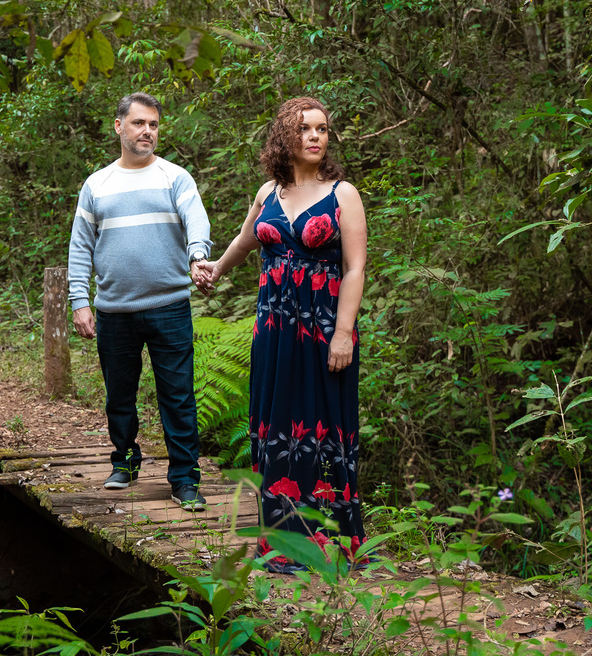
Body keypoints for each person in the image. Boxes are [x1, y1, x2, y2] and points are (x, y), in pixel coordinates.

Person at [200, 96, 367, 570]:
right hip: (274, 329)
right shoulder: (268, 193)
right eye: (305, 129)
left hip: (322, 328)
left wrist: (343, 333)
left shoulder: (343, 194)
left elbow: (354, 269)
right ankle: (279, 541)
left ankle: (331, 543)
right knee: (275, 426)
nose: (316, 136)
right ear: (285, 137)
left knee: (323, 426)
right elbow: (246, 238)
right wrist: (217, 267)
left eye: (323, 129)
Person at [67, 92, 213, 512]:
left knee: (178, 396)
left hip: (169, 306)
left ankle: (185, 480)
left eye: (153, 124)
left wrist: (198, 255)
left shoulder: (175, 177)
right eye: (138, 123)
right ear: (119, 127)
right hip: (114, 310)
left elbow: (195, 220)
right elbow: (81, 247)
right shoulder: (97, 184)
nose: (147, 131)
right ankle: (125, 461)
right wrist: (81, 300)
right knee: (119, 395)